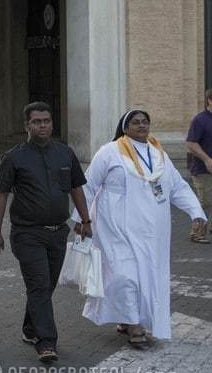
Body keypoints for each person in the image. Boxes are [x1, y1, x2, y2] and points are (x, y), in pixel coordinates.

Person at [73, 109, 206, 348]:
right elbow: (88, 184)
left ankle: (128, 319)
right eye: (136, 122)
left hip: (152, 230)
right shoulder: (109, 152)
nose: (142, 125)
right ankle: (135, 326)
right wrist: (82, 219)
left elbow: (177, 188)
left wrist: (196, 212)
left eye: (146, 121)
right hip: (116, 227)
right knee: (125, 275)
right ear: (125, 127)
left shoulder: (159, 154)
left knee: (147, 277)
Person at [0, 102, 91, 364]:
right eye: (37, 121)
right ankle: (46, 342)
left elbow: (77, 189)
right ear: (27, 125)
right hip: (27, 233)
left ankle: (30, 327)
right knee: (38, 284)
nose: (43, 125)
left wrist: (85, 220)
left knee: (46, 286)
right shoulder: (14, 157)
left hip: (58, 232)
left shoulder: (65, 154)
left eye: (46, 120)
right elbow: (1, 195)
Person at [185, 89, 212, 243]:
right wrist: (207, 160)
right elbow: (191, 143)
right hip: (203, 170)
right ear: (209, 100)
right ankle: (197, 233)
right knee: (205, 202)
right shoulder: (200, 120)